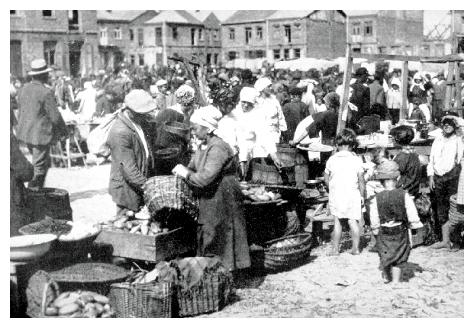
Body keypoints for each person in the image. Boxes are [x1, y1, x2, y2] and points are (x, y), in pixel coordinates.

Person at [172, 106, 251, 272]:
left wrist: (186, 174)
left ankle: (224, 270)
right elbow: (193, 166)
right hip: (211, 194)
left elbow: (206, 178)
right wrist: (184, 169)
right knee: (210, 230)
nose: (193, 131)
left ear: (207, 128)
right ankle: (213, 271)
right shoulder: (203, 145)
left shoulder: (218, 147)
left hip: (222, 193)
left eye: (195, 127)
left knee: (221, 230)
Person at [16, 58, 68, 188]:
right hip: (39, 135)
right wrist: (64, 131)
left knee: (43, 164)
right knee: (39, 168)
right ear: (43, 75)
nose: (48, 76)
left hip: (25, 133)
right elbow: (55, 117)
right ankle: (33, 197)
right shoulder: (45, 92)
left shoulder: (23, 89)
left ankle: (37, 192)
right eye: (47, 74)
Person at [369, 160, 423, 283]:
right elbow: (411, 212)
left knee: (385, 254)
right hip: (400, 229)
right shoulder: (404, 195)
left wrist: (375, 229)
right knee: (399, 256)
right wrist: (415, 224)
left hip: (384, 230)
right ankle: (395, 280)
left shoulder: (376, 198)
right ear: (397, 178)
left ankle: (387, 276)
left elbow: (374, 216)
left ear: (381, 181)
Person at [107, 89, 156, 219]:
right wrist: (150, 188)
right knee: (127, 225)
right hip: (127, 190)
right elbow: (129, 170)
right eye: (141, 114)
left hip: (138, 184)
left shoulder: (138, 123)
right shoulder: (120, 132)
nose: (145, 116)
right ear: (129, 111)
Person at [324, 128, 366, 256]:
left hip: (337, 194)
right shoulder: (356, 160)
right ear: (352, 145)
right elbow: (361, 181)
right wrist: (362, 196)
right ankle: (355, 249)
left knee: (337, 222)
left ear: (337, 145)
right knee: (353, 221)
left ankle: (335, 250)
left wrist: (332, 188)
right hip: (352, 194)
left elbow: (326, 179)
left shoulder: (331, 160)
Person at [232, 87, 283, 180]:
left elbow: (265, 135)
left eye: (249, 103)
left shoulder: (257, 115)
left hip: (249, 154)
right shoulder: (234, 113)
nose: (246, 105)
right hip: (234, 153)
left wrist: (274, 156)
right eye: (244, 102)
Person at [427, 116, 463, 242]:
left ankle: (455, 239)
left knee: (454, 207)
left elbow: (460, 160)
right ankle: (445, 240)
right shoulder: (438, 139)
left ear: (454, 126)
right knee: (441, 207)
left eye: (450, 124)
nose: (447, 126)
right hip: (438, 177)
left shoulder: (458, 140)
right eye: (445, 124)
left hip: (452, 176)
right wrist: (431, 177)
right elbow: (431, 160)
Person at [390, 125, 422, 197]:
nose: (391, 140)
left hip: (404, 190)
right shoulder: (412, 151)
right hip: (413, 187)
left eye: (392, 138)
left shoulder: (402, 156)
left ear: (397, 140)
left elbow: (392, 172)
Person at [254, 77, 287, 143]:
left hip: (273, 134)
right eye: (268, 87)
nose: (271, 88)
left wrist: (283, 130)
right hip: (259, 135)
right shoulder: (255, 101)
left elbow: (280, 116)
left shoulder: (274, 101)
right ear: (262, 88)